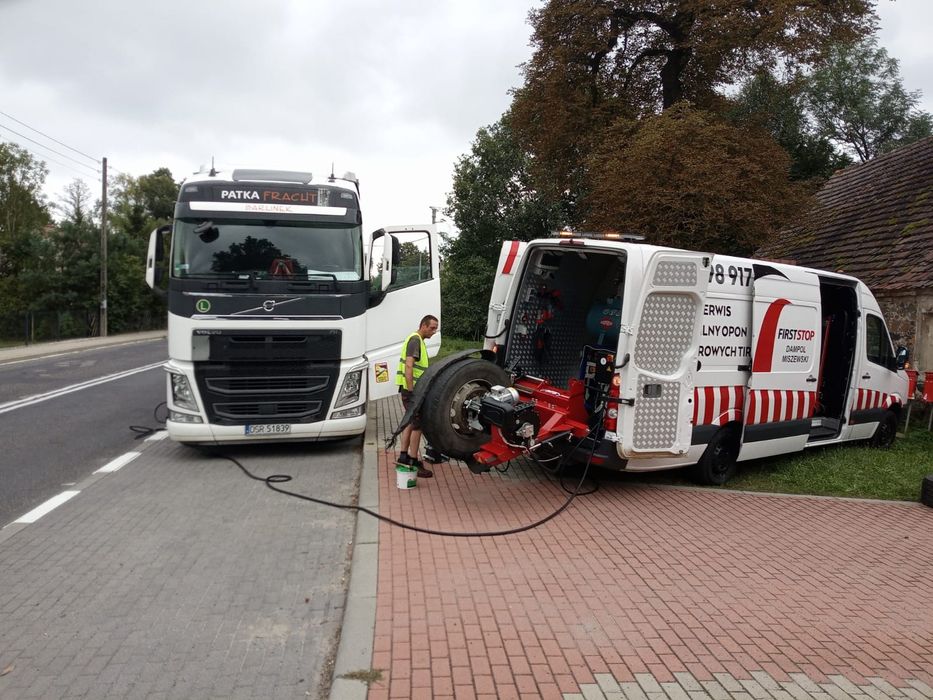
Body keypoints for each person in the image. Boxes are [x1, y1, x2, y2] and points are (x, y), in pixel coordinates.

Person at [396, 314, 439, 478]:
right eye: (432, 327)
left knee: (410, 422)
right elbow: (409, 365)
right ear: (423, 325)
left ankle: (403, 456)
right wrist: (412, 390)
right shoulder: (415, 340)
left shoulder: (417, 340)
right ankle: (413, 460)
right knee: (417, 425)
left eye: (436, 328)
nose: (434, 331)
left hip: (410, 390)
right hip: (412, 391)